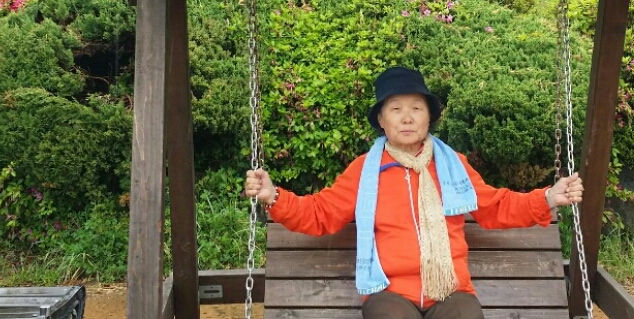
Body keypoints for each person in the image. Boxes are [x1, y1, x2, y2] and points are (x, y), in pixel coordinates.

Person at [245, 66, 584, 319]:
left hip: (451, 290)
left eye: (416, 108)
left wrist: (547, 198)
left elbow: (495, 206)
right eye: (396, 109)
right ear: (382, 120)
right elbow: (321, 214)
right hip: (389, 292)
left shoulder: (452, 165)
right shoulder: (366, 170)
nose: (407, 118)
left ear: (428, 118)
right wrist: (274, 197)